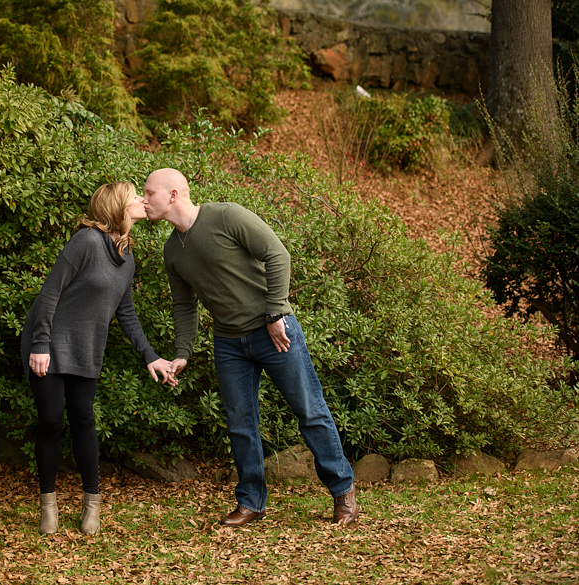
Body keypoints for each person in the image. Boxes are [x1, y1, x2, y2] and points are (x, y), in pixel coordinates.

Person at [141, 168, 358, 527]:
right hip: (228, 342)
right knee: (241, 423)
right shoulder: (171, 251)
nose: (144, 200)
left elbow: (277, 255)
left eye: (149, 193)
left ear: (174, 195)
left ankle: (343, 491)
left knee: (309, 410)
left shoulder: (226, 216)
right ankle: (252, 502)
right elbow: (184, 306)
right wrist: (182, 353)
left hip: (274, 331)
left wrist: (275, 311)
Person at [21, 181, 176, 535]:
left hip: (86, 348)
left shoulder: (126, 257)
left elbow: (127, 313)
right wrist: (40, 344)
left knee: (83, 419)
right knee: (50, 420)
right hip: (49, 344)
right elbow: (49, 293)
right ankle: (49, 507)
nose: (141, 199)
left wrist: (150, 357)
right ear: (117, 206)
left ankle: (92, 504)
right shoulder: (87, 241)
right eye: (135, 195)